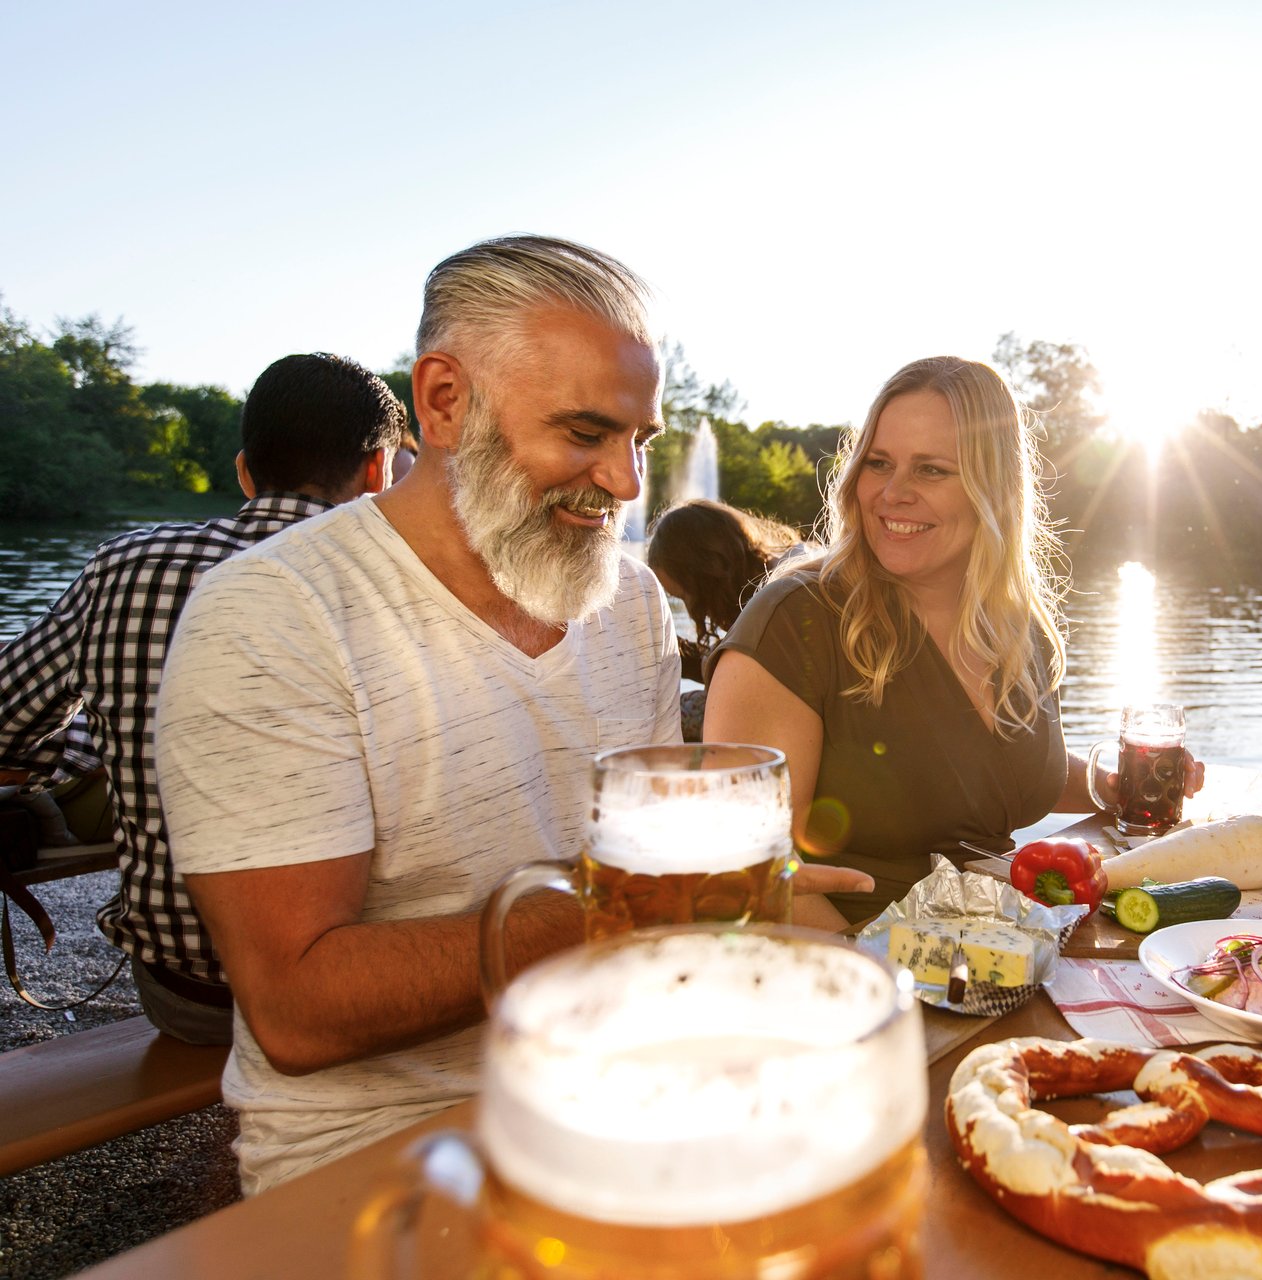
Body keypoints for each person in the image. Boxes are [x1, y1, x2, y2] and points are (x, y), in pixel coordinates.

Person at [154, 236, 867, 1193]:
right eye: (584, 433)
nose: (624, 483)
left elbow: (658, 871)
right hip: (380, 1148)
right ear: (444, 401)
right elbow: (297, 1011)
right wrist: (632, 905)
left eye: (641, 442)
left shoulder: (629, 601)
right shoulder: (271, 613)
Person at [704, 355, 1201, 930]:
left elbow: (993, 770)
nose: (892, 493)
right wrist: (883, 981)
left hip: (1005, 951)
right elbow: (746, 872)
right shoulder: (796, 622)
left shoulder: (1017, 626)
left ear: (993, 488)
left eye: (931, 470)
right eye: (878, 463)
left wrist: (1115, 785)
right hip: (852, 969)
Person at [0, 353, 406, 1043]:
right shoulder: (413, 587)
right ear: (377, 473)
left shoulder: (126, 566)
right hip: (381, 990)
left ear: (245, 470)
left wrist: (87, 747)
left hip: (191, 999)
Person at [645, 498, 811, 740]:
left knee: (671, 716)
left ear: (707, 577)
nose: (694, 611)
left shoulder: (785, 598)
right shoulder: (779, 574)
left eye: (685, 596)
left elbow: (753, 685)